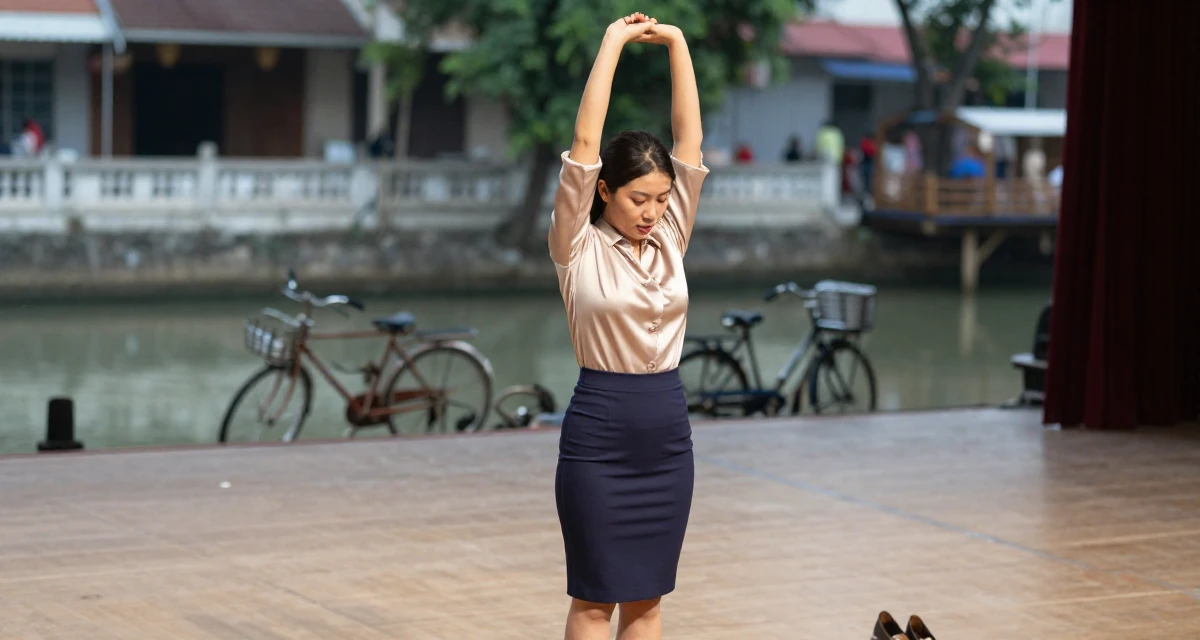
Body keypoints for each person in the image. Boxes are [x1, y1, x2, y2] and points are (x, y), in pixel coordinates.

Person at [547, 12, 707, 640]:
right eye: (639, 198)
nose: (652, 212)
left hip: (667, 435)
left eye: (662, 199)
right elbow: (585, 145)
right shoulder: (573, 244)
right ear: (605, 192)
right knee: (595, 600)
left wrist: (677, 42)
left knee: (647, 600)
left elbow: (689, 138)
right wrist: (613, 42)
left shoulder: (671, 235)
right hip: (600, 434)